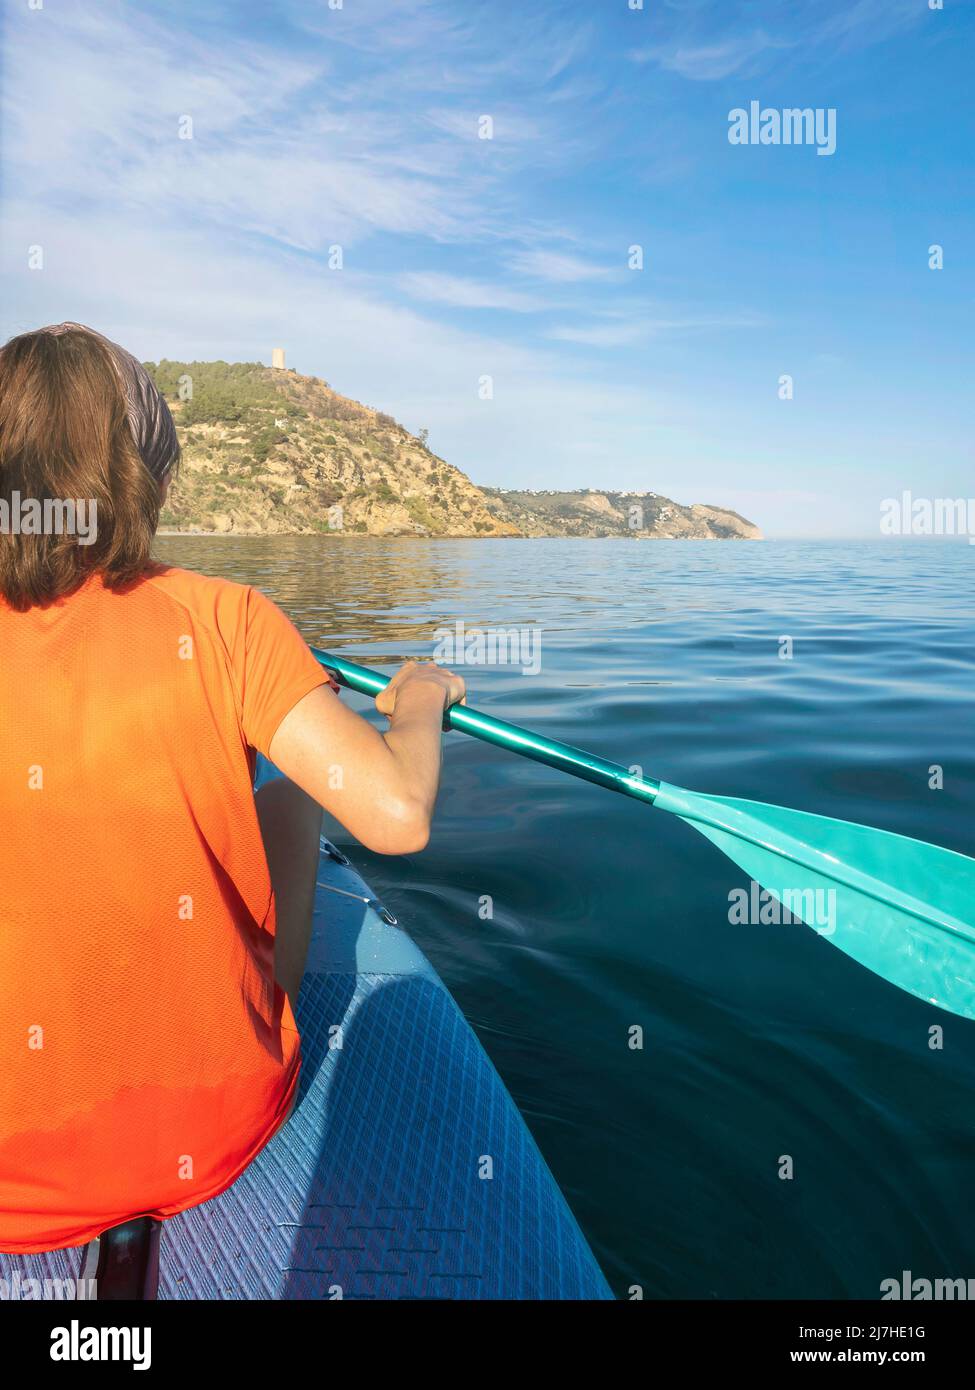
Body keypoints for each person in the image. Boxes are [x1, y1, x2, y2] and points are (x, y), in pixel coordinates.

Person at [0, 323, 465, 1255]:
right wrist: (416, 702)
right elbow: (398, 815)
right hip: (211, 1132)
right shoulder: (225, 619)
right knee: (294, 786)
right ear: (148, 471)